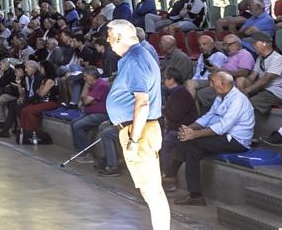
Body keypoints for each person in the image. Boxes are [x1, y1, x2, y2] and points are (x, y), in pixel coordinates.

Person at [105, 18, 169, 230]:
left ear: (120, 37)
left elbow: (142, 102)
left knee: (152, 190)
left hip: (139, 130)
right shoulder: (132, 58)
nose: (107, 40)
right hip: (136, 128)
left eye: (110, 35)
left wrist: (133, 139)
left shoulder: (135, 60)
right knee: (149, 189)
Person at [163, 71, 254, 206]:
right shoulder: (221, 97)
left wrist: (194, 134)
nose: (210, 85)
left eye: (213, 82)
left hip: (236, 140)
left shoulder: (238, 100)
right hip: (222, 136)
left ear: (222, 83)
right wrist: (190, 128)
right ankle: (195, 195)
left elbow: (223, 127)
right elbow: (208, 117)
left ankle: (171, 174)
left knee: (191, 143)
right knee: (191, 150)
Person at [240, 31, 282, 125]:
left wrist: (247, 90)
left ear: (264, 43)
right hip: (265, 89)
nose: (252, 46)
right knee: (240, 97)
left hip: (277, 92)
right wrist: (244, 83)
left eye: (254, 43)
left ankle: (249, 129)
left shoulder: (277, 59)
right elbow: (253, 75)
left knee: (251, 102)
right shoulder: (260, 58)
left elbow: (266, 79)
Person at [157, 68, 197, 183]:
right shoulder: (175, 93)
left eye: (165, 78)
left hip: (182, 129)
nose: (163, 81)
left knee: (167, 142)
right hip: (173, 127)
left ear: (172, 80)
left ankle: (169, 176)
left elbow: (175, 115)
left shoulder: (182, 94)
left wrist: (163, 110)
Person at [67, 67, 109, 164]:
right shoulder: (93, 84)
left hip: (102, 114)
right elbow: (83, 99)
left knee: (78, 125)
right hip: (90, 112)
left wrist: (88, 99)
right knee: (73, 122)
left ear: (92, 76)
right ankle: (80, 152)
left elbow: (85, 101)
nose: (84, 79)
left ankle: (87, 154)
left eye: (85, 77)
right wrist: (87, 87)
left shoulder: (101, 85)